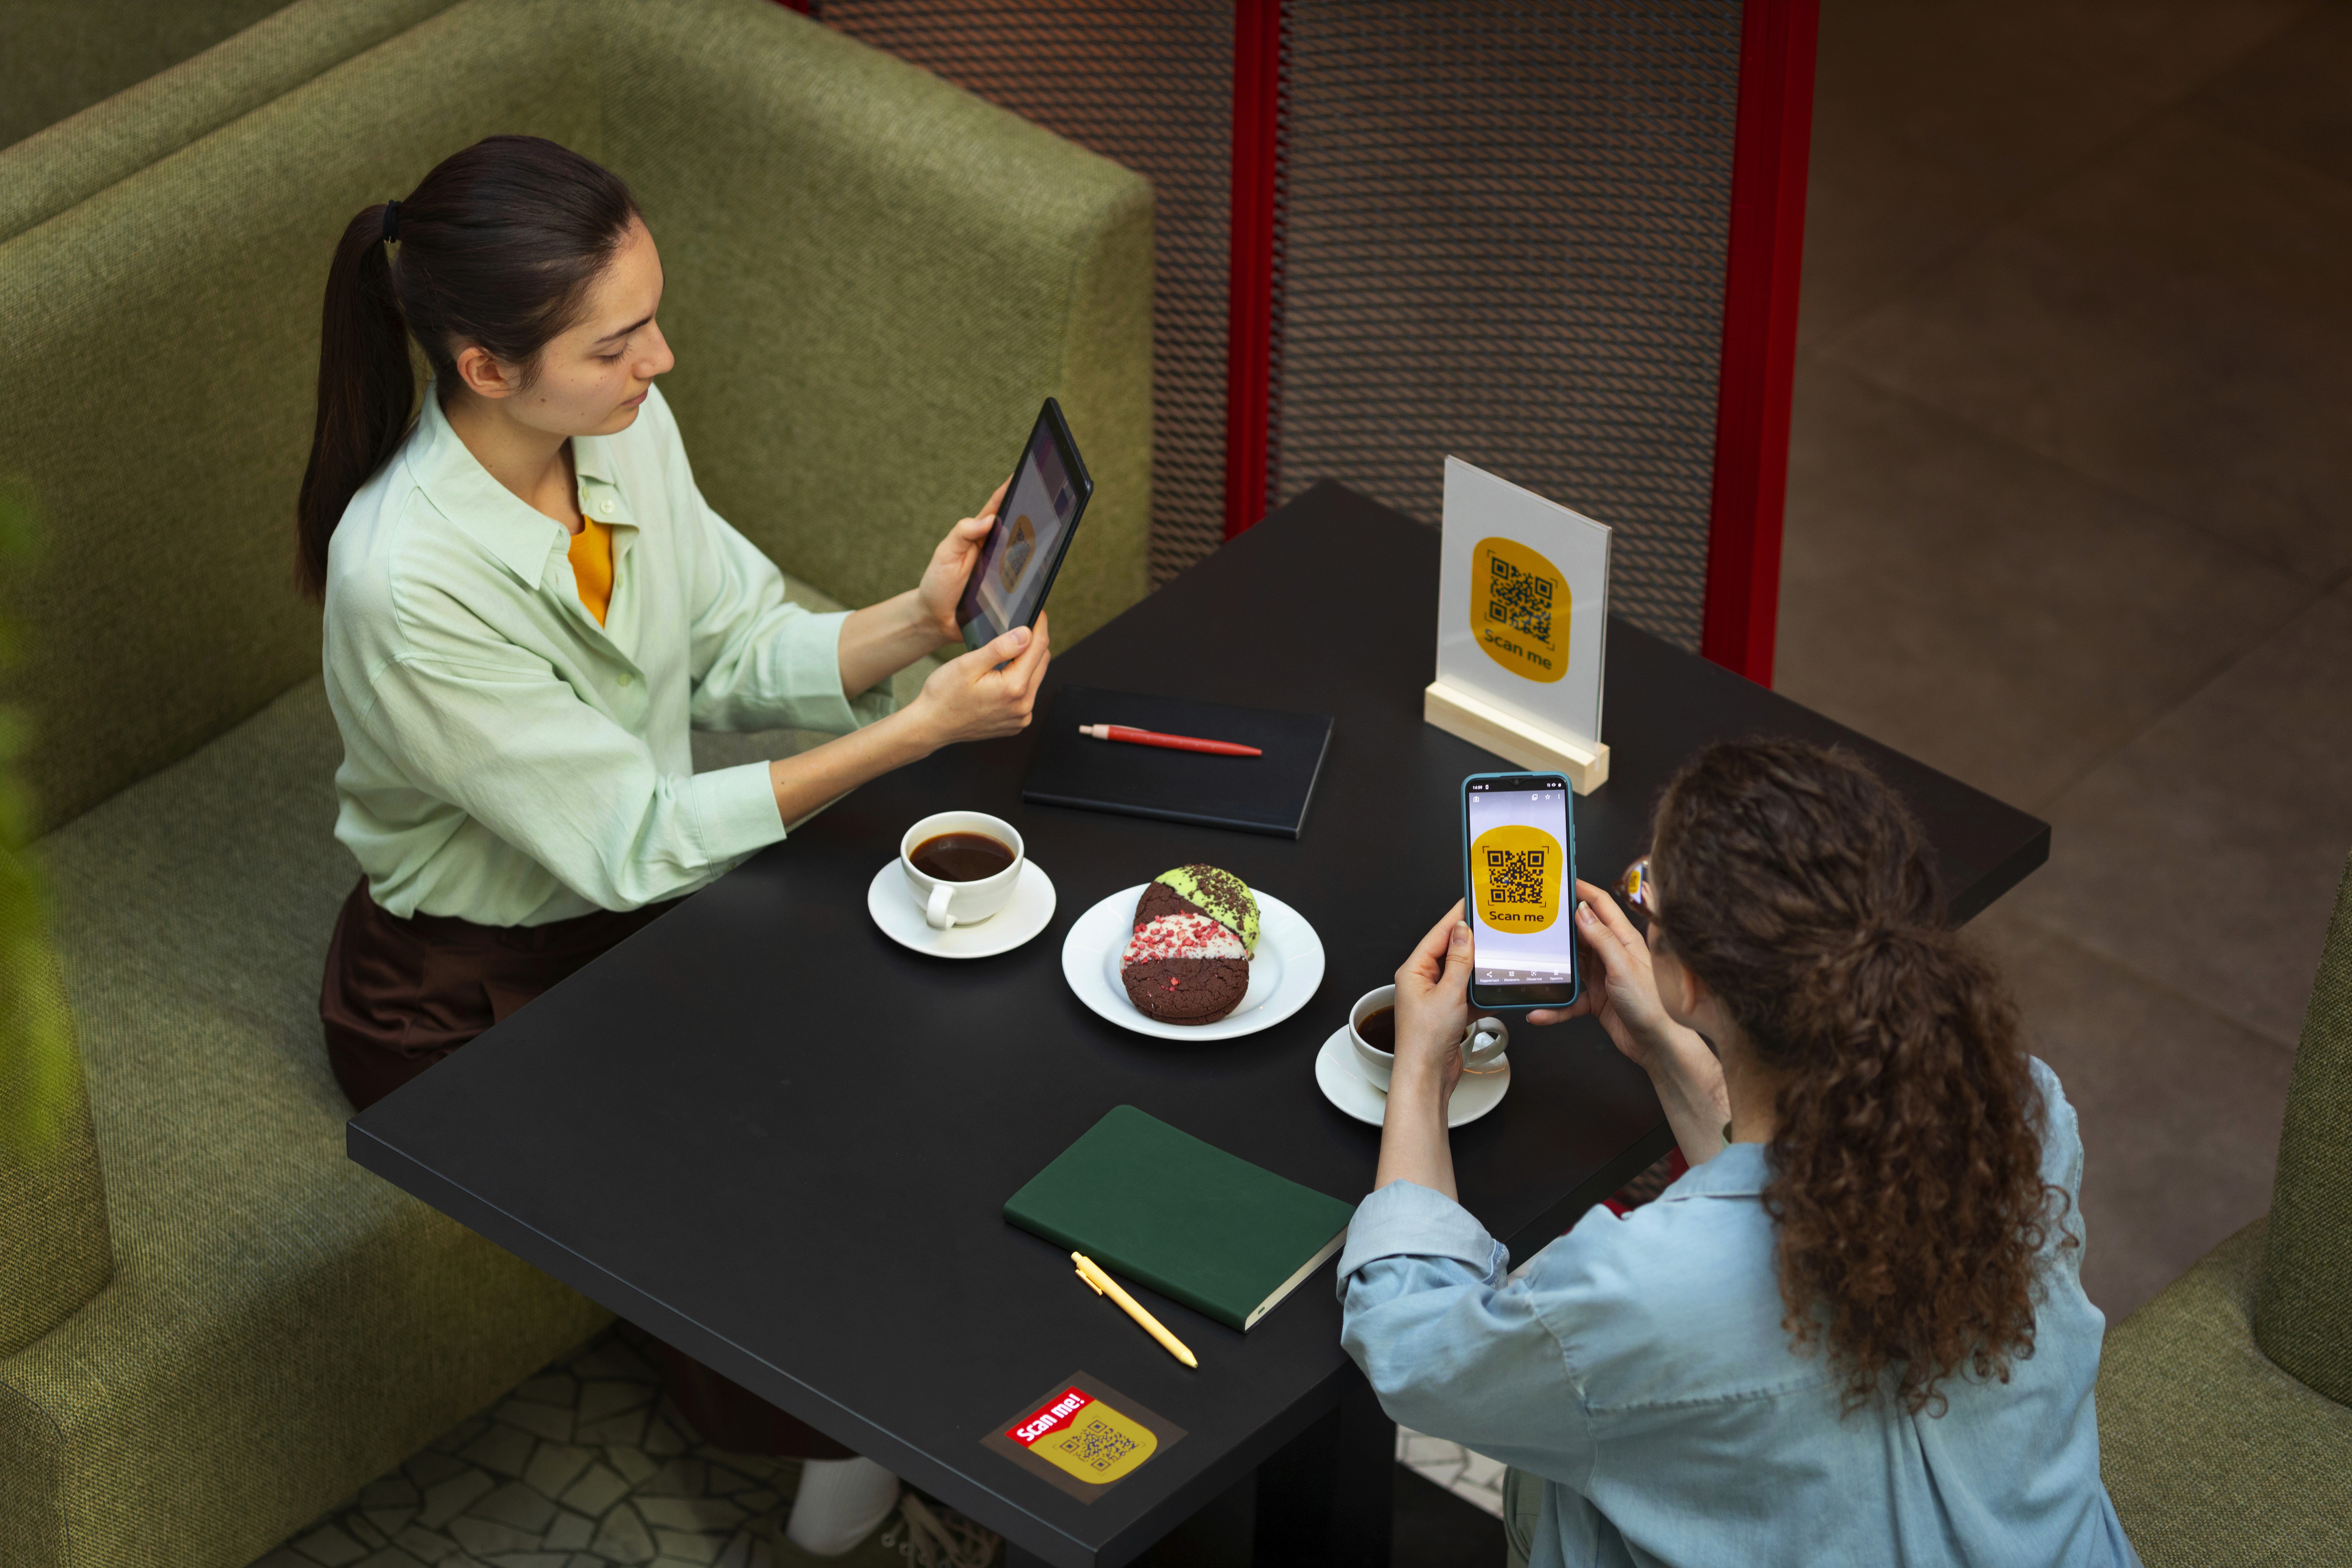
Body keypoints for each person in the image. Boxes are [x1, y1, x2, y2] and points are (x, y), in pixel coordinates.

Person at [299, 135, 1029, 1566]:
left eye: (652, 318)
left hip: (642, 909)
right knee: (733, 1173)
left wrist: (917, 624)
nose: (664, 361)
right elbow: (630, 838)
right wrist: (912, 735)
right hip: (465, 988)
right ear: (487, 366)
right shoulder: (403, 580)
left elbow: (725, 648)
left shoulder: (619, 431)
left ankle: (916, 1402)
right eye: (620, 339)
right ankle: (843, 1452)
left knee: (925, 1043)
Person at [1340, 739, 2139, 1567]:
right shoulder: (2024, 1113)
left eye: (1651, 889)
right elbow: (1798, 1197)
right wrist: (1672, 1053)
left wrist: (1425, 1066)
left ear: (1685, 979)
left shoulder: (1637, 1289)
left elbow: (1412, 1351)